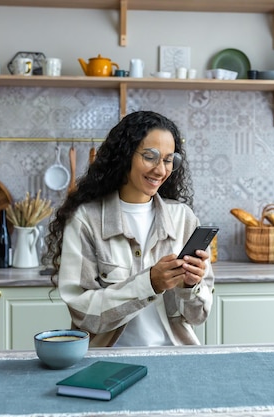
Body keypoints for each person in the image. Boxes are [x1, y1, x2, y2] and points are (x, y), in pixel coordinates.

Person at [45, 111, 214, 347]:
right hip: (108, 361)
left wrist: (190, 286)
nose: (160, 170)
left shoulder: (183, 218)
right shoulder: (86, 220)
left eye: (168, 160)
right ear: (125, 156)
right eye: (150, 156)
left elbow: (198, 317)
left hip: (175, 357)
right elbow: (83, 315)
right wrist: (149, 284)